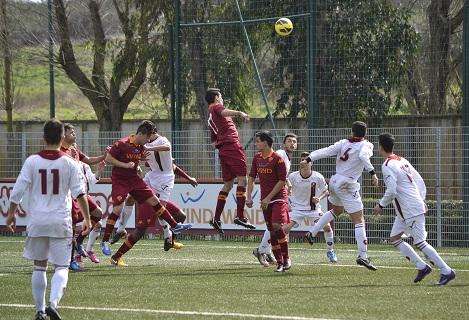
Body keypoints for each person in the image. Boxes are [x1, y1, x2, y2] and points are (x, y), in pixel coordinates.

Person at [6, 119, 91, 320]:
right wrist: (87, 219)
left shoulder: (32, 161)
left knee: (39, 266)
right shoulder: (70, 162)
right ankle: (53, 303)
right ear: (62, 138)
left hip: (37, 221)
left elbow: (17, 191)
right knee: (61, 266)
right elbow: (80, 194)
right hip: (60, 220)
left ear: (43, 138)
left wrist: (10, 215)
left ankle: (39, 310)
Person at [100, 120, 192, 259]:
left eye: (150, 138)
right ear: (142, 134)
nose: (148, 141)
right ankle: (107, 239)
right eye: (147, 138)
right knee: (120, 209)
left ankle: (172, 228)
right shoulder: (122, 143)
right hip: (121, 180)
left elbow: (151, 156)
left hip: (138, 180)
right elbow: (109, 158)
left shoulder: (148, 145)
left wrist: (138, 165)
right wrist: (126, 164)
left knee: (155, 202)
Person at [373, 133, 456, 285]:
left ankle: (447, 271)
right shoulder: (401, 160)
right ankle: (422, 267)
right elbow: (418, 180)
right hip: (406, 210)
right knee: (395, 239)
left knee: (420, 242)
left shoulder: (387, 165)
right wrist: (421, 199)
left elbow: (391, 190)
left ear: (381, 147)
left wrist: (380, 205)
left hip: (409, 209)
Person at [301, 121, 379, 270]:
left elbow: (325, 151)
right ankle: (363, 256)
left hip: (335, 180)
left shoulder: (343, 142)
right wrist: (372, 173)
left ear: (352, 131)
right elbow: (363, 157)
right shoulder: (366, 145)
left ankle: (312, 231)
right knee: (359, 220)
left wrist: (309, 158)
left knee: (337, 211)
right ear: (366, 133)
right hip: (347, 184)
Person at [206, 88, 255, 234]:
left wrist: (223, 145)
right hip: (232, 146)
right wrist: (240, 113)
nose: (222, 99)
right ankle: (240, 215)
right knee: (243, 179)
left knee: (227, 184)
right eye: (220, 96)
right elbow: (223, 111)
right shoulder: (216, 107)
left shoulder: (210, 118)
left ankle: (216, 218)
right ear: (216, 98)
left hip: (223, 149)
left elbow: (213, 142)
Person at [60, 124, 106, 270]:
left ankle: (79, 243)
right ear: (62, 135)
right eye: (71, 132)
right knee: (72, 226)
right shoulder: (58, 153)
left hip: (81, 193)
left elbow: (89, 160)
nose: (74, 133)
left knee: (98, 213)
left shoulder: (73, 150)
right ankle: (71, 260)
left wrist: (104, 156)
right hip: (69, 194)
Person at [247, 131, 290, 272]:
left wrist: (268, 197)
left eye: (258, 141)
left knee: (277, 225)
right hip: (265, 199)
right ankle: (279, 262)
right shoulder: (257, 158)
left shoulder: (277, 159)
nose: (256, 143)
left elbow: (282, 181)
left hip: (278, 198)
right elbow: (251, 178)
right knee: (272, 230)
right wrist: (248, 196)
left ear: (265, 142)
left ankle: (286, 258)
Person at [284, 152, 337, 263]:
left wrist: (319, 198)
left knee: (327, 227)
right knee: (284, 229)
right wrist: (288, 202)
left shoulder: (318, 177)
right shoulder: (293, 176)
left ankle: (330, 251)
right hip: (297, 209)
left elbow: (326, 191)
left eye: (307, 160)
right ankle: (283, 255)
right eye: (302, 160)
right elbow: (285, 190)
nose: (304, 162)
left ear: (311, 163)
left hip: (313, 210)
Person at [253, 133, 297, 265]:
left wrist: (287, 183)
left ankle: (266, 250)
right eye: (289, 141)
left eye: (294, 142)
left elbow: (281, 175)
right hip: (271, 195)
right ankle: (263, 250)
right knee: (276, 224)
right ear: (284, 144)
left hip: (278, 194)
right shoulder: (280, 154)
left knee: (277, 225)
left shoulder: (287, 157)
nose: (292, 143)